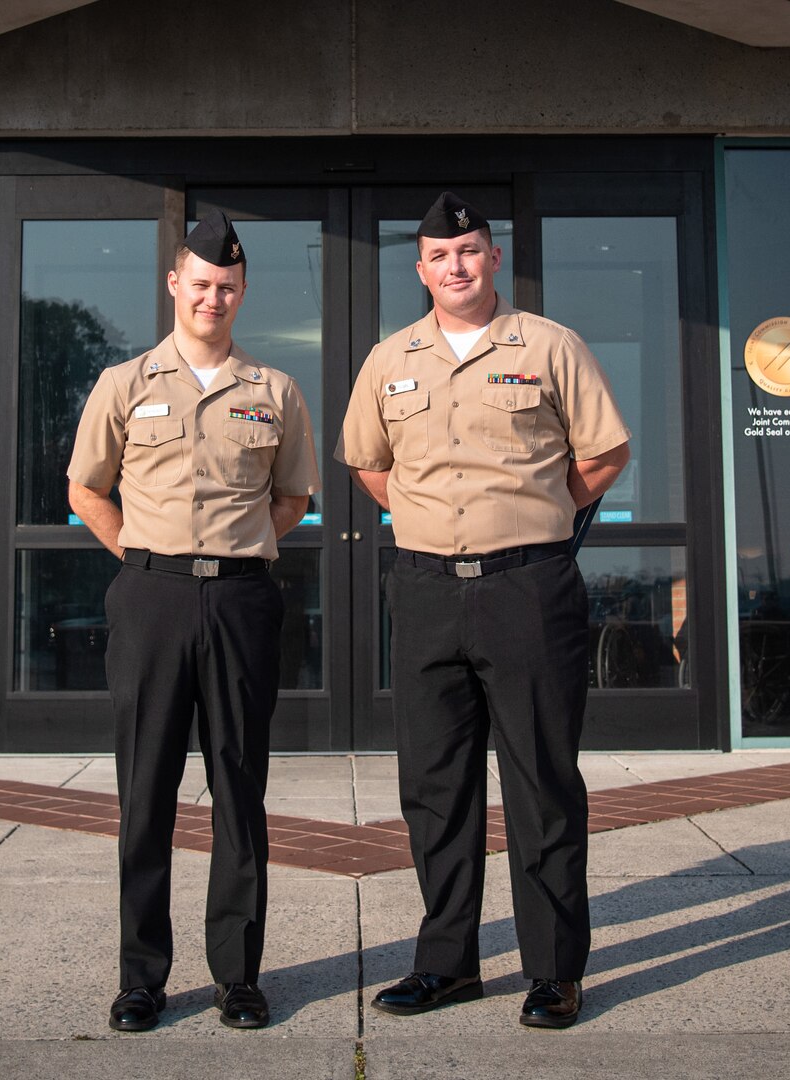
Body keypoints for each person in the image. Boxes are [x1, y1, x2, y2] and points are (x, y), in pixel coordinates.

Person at [336, 192, 630, 1029]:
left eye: (469, 250)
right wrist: (430, 524)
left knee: (541, 782)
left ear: (493, 258)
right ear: (420, 268)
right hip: (426, 590)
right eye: (439, 255)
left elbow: (604, 452)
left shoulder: (548, 346)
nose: (455, 266)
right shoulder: (388, 360)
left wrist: (538, 511)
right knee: (434, 786)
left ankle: (553, 971)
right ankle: (447, 963)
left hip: (527, 589)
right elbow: (370, 464)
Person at [68, 210, 320, 1032]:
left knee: (239, 788)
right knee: (145, 792)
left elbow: (292, 500)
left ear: (243, 294)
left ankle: (237, 976)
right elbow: (85, 490)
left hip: (243, 600)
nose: (214, 296)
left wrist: (237, 552)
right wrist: (144, 558)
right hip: (151, 597)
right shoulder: (123, 384)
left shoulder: (274, 391)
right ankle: (142, 977)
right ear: (175, 284)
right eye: (201, 283)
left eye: (228, 287)